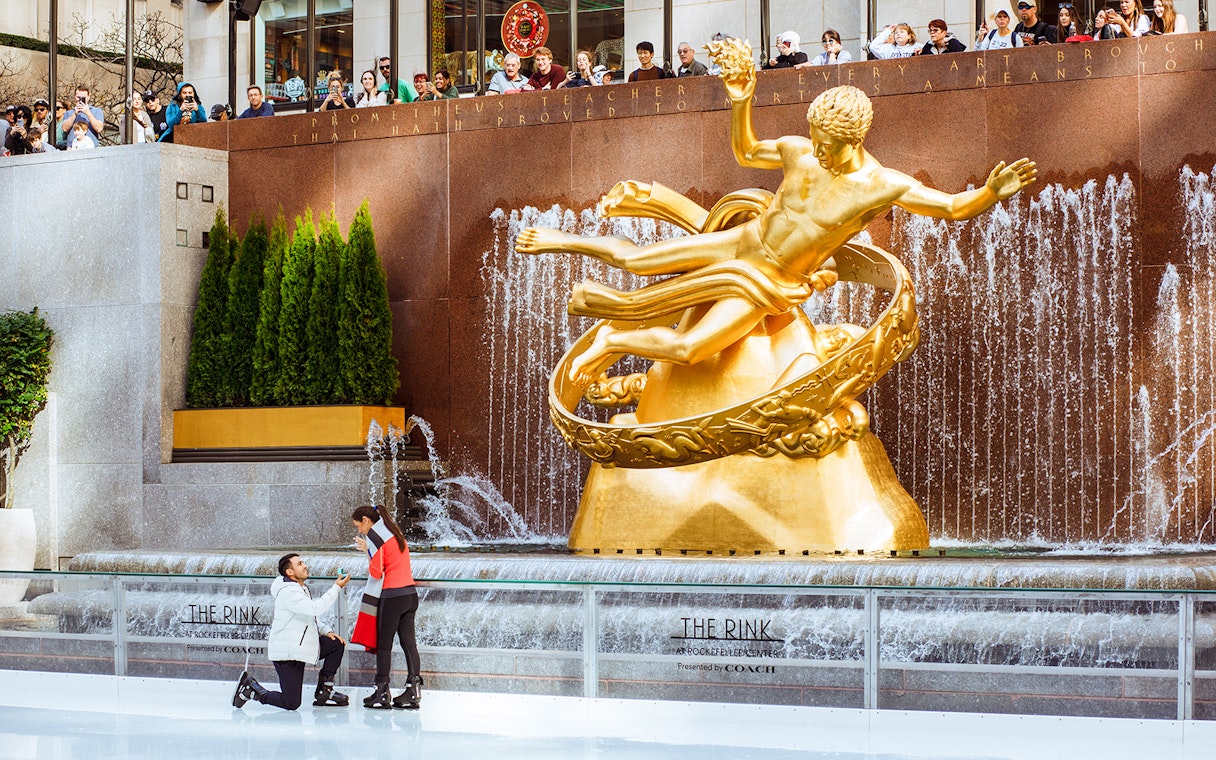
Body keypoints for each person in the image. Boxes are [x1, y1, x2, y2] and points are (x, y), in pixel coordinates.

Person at [515, 40, 1036, 386]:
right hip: (743, 242)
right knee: (639, 262)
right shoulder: (801, 150)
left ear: (855, 140)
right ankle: (562, 240)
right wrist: (741, 100)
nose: (818, 151)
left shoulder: (879, 186)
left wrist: (990, 193)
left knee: (692, 347)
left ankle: (613, 338)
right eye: (815, 138)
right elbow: (746, 152)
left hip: (770, 280)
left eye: (828, 144)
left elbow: (947, 207)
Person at [232, 553, 352, 711]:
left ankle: (325, 691)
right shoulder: (289, 593)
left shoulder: (298, 588)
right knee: (291, 703)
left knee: (335, 644)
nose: (305, 566)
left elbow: (310, 615)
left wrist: (326, 631)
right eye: (300, 564)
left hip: (300, 646)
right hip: (287, 653)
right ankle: (252, 690)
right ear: (290, 572)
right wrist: (337, 587)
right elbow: (316, 608)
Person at [351, 505, 422, 710]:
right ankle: (413, 690)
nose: (360, 531)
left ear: (366, 519)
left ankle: (382, 692)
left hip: (392, 596)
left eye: (359, 526)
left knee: (384, 646)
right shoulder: (394, 532)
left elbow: (376, 572)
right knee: (410, 645)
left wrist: (367, 551)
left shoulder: (375, 536)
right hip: (409, 594)